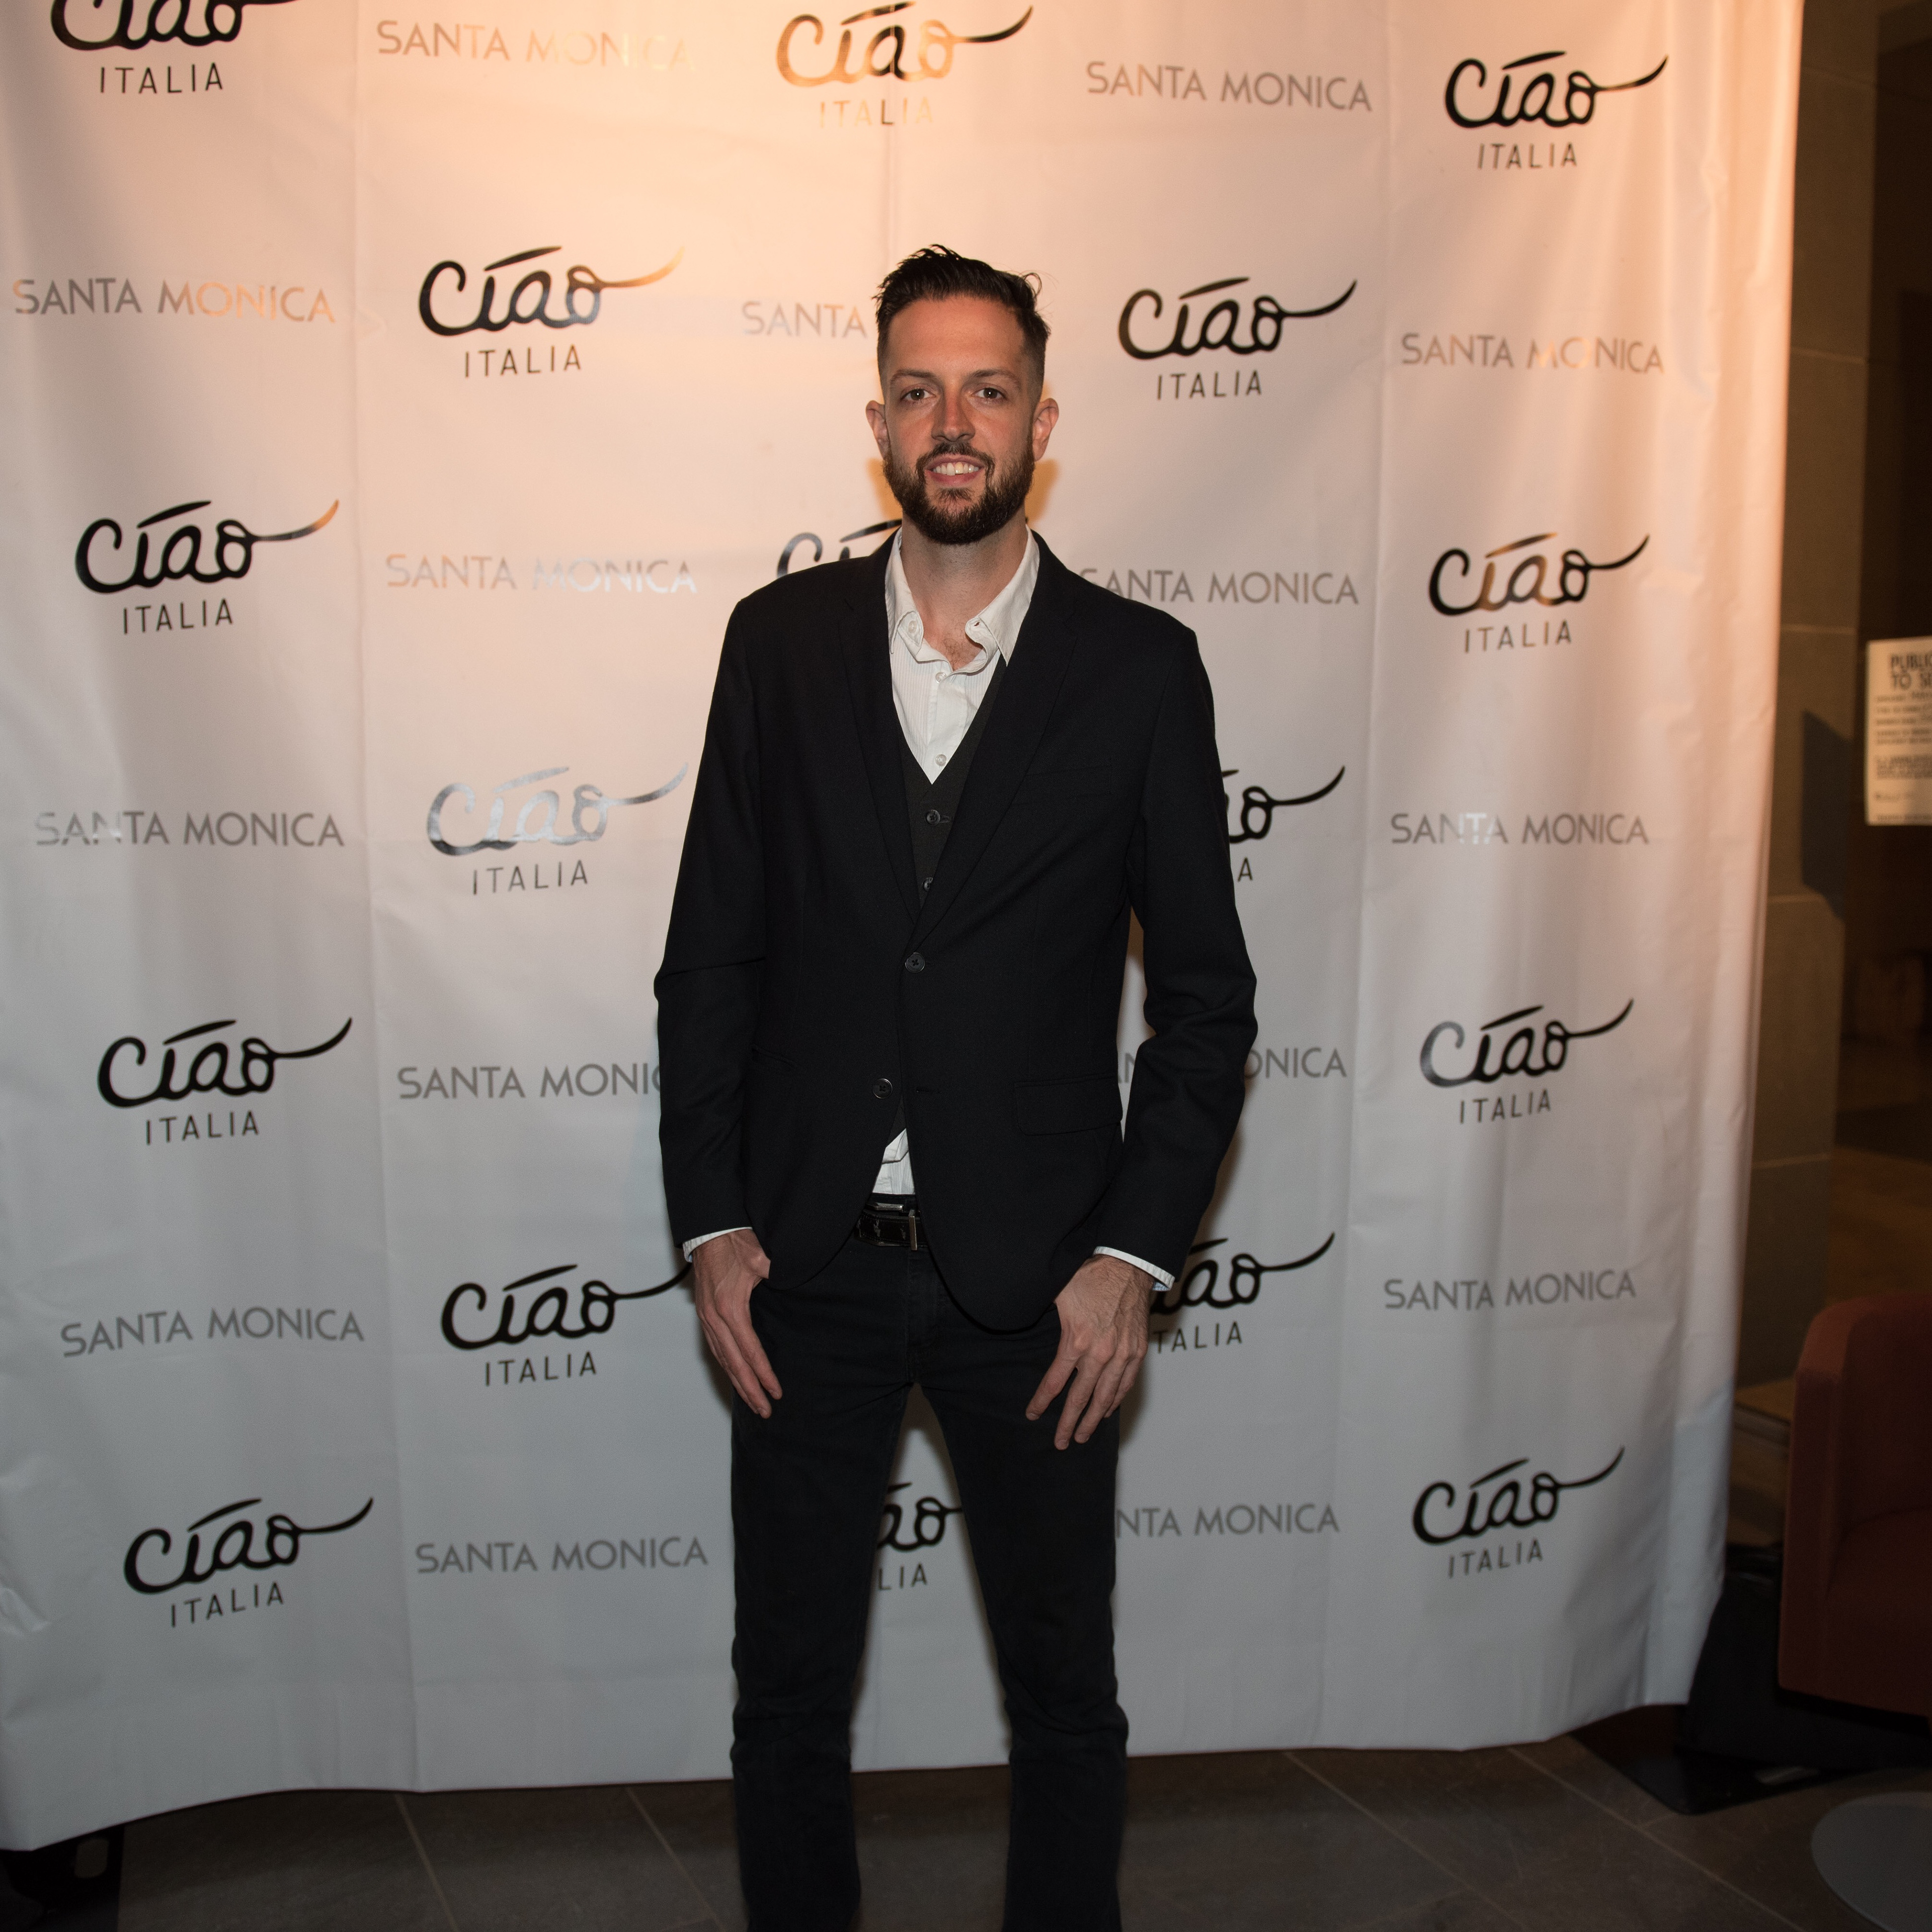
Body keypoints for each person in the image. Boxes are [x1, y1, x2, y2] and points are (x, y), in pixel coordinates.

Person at [655, 246, 1255, 1931]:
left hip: (1044, 1291)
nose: (953, 422)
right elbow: (710, 960)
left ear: (1042, 421)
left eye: (989, 389)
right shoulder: (776, 646)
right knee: (786, 1700)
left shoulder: (1141, 668)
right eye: (919, 390)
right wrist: (711, 1224)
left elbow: (1206, 1004)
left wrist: (1130, 1259)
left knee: (1066, 1698)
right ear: (879, 424)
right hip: (808, 1275)